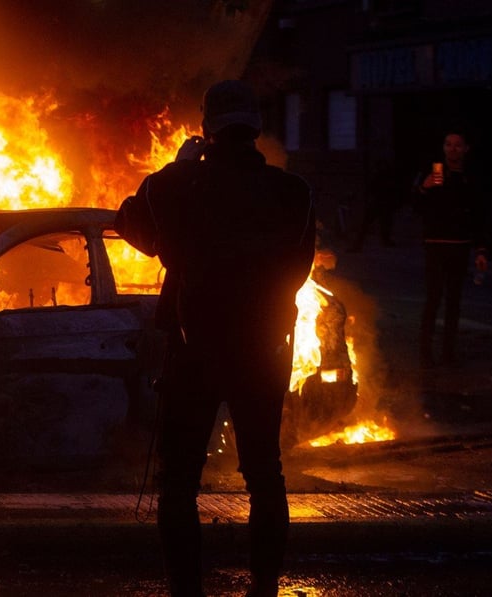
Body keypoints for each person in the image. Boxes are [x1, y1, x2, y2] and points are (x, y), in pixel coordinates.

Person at [115, 79, 315, 597]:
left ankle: (187, 590)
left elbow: (132, 223)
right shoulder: (293, 193)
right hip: (263, 349)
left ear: (207, 129)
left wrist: (182, 166)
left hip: (194, 347)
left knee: (179, 480)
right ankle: (264, 588)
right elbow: (297, 270)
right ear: (256, 129)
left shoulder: (178, 185)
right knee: (264, 473)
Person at [412, 129, 489, 367]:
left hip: (460, 245)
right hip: (435, 244)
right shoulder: (433, 172)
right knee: (433, 298)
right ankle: (426, 353)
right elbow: (416, 206)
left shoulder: (471, 177)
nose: (452, 149)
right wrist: (424, 188)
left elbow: (479, 214)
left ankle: (448, 353)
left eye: (457, 145)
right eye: (448, 144)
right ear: (443, 148)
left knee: (454, 302)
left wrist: (481, 250)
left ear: (466, 149)